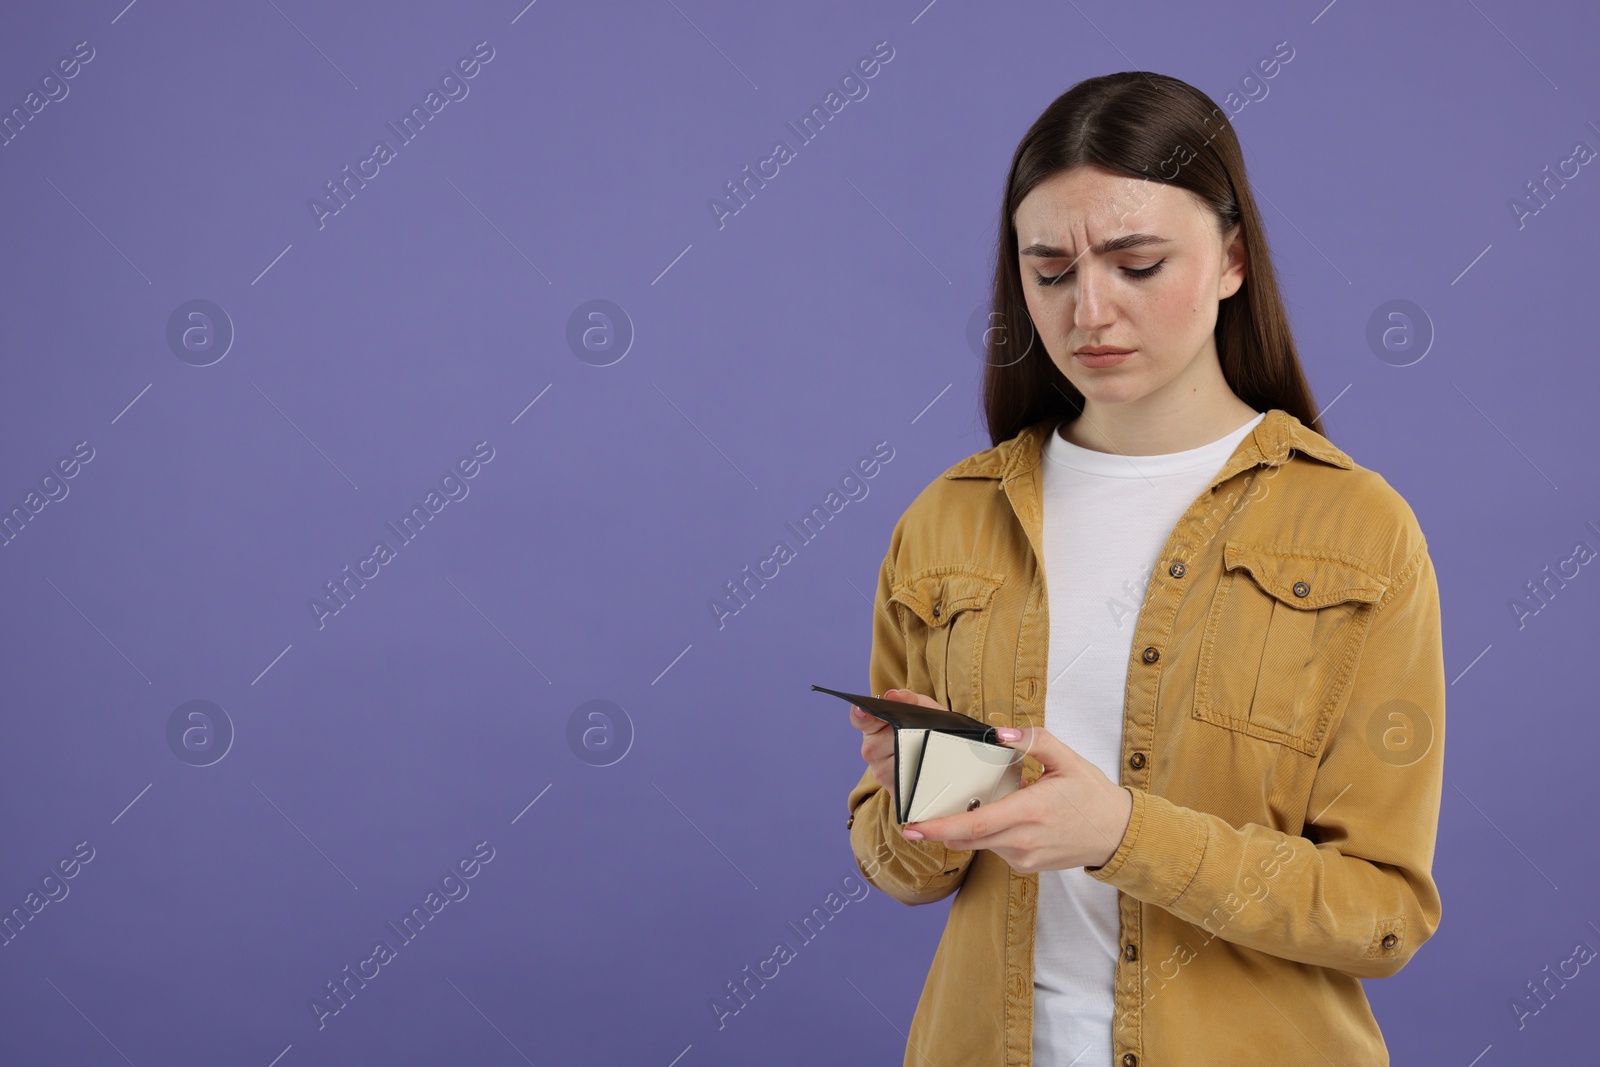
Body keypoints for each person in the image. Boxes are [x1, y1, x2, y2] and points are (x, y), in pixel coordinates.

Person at [846, 71, 1444, 1067]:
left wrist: (1120, 830)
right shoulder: (947, 520)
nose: (1089, 310)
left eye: (1136, 262)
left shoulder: (1356, 528)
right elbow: (902, 870)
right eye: (1048, 271)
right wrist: (922, 801)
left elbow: (1381, 912)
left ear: (1232, 259)